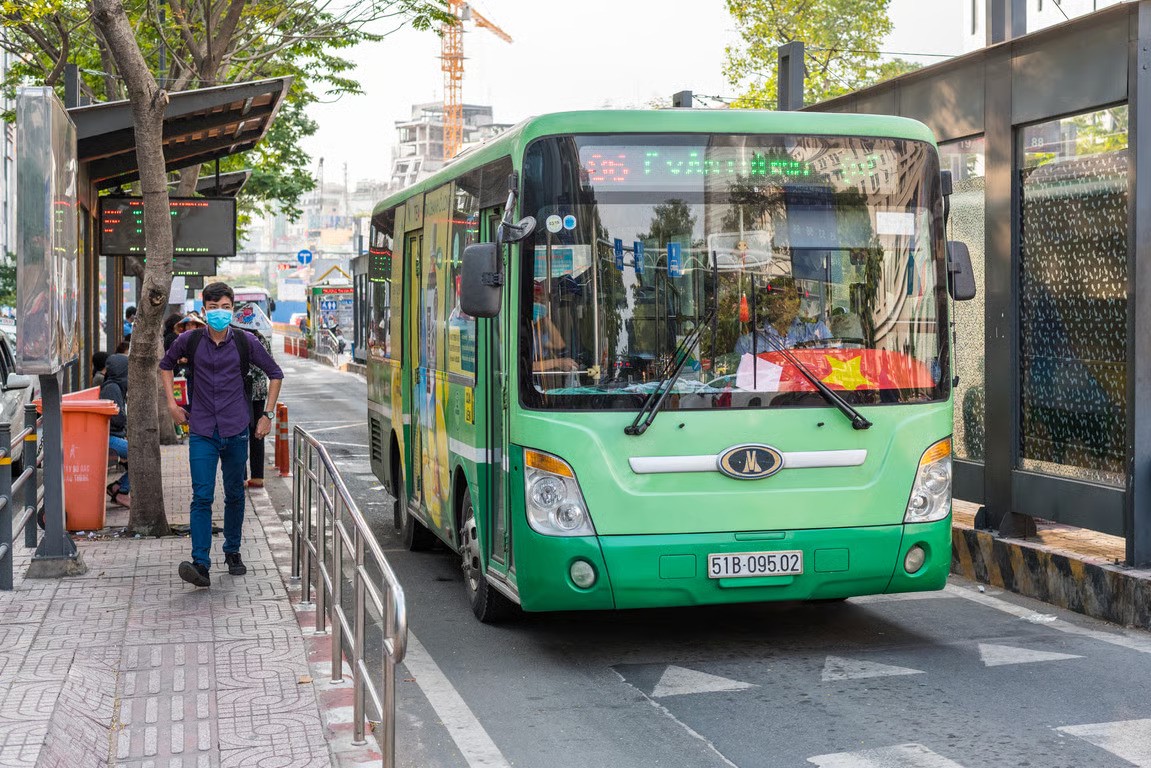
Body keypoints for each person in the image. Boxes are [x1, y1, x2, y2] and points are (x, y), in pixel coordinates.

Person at [160, 282, 284, 588]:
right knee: (201, 496)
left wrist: (267, 416)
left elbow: (275, 374)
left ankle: (233, 551)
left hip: (236, 428)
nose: (219, 313)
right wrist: (172, 405)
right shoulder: (189, 340)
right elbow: (165, 366)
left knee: (235, 495)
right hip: (202, 430)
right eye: (213, 308)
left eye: (225, 307)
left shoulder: (246, 341)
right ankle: (200, 562)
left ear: (233, 310)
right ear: (204, 311)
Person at [733, 277, 831, 356]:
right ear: (768, 303)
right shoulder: (747, 345)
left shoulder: (817, 333)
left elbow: (836, 364)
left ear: (798, 304)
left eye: (791, 298)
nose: (785, 304)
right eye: (779, 298)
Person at [100, 353, 131, 507]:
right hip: (108, 437)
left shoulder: (115, 386)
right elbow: (116, 418)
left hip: (112, 435)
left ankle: (117, 486)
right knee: (140, 454)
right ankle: (122, 490)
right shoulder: (112, 388)